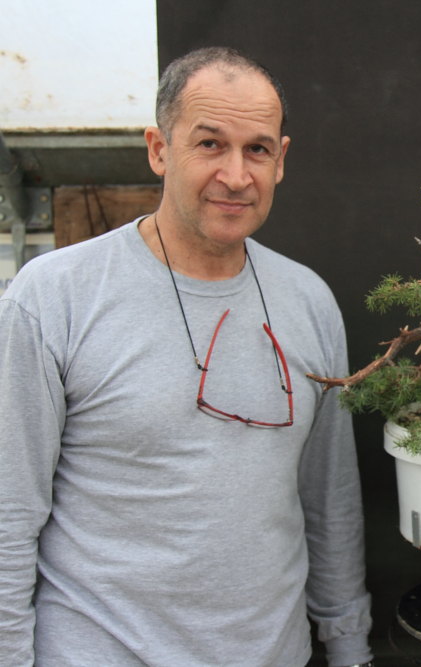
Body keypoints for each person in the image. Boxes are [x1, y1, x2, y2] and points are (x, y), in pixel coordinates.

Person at [0, 47, 373, 666]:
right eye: (209, 144)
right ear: (159, 149)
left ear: (281, 160)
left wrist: (350, 648)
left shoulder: (308, 301)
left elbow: (329, 499)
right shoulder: (53, 297)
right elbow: (9, 513)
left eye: (257, 149)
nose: (236, 175)